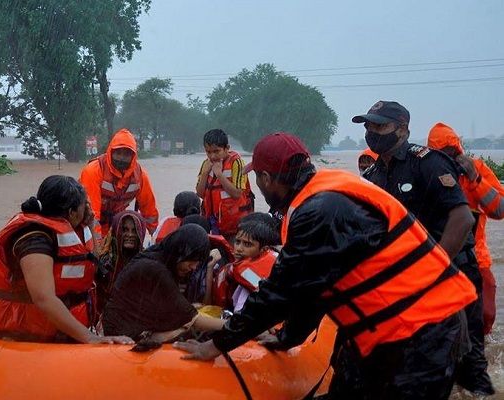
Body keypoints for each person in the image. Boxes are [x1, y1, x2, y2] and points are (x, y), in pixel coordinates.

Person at [175, 132, 477, 400]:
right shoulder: (324, 194)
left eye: (259, 179)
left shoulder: (319, 212)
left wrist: (218, 344)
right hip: (385, 326)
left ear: (266, 178)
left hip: (424, 331)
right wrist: (288, 337)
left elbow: (282, 291)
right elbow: (314, 289)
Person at [355, 102, 494, 395]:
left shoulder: (428, 163)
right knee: (415, 358)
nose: (372, 133)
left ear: (403, 130)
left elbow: (462, 219)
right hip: (406, 280)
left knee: (469, 363)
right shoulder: (371, 177)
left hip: (452, 269)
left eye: (379, 126)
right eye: (368, 127)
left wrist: (430, 271)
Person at [0, 175, 133, 345]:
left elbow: (95, 267)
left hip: (59, 334)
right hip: (23, 336)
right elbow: (43, 298)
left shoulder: (76, 230)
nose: (88, 210)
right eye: (85, 206)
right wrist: (91, 338)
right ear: (71, 212)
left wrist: (91, 226)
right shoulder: (35, 239)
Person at [428, 122, 504, 335]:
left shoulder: (476, 169)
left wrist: (475, 180)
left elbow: (499, 210)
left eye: (451, 153)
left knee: (485, 316)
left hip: (476, 259)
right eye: (442, 155)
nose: (448, 159)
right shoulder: (426, 173)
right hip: (439, 257)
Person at [102, 224, 225, 343]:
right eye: (191, 261)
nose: (193, 267)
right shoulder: (156, 269)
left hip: (124, 326)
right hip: (122, 336)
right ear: (179, 251)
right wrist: (233, 327)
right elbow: (192, 319)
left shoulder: (158, 257)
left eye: (197, 262)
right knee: (188, 328)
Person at [79, 128, 159, 237]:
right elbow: (91, 215)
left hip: (116, 223)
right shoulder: (93, 171)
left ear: (133, 156)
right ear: (110, 152)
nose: (121, 158)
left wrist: (157, 239)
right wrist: (97, 247)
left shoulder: (140, 175)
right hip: (87, 226)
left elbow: (149, 211)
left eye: (126, 154)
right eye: (118, 153)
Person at [195, 129, 253, 240]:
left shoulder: (236, 163)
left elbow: (237, 194)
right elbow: (200, 193)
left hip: (235, 226)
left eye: (216, 151)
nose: (212, 156)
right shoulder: (205, 164)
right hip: (212, 223)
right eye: (208, 152)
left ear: (227, 148)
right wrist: (204, 174)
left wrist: (219, 174)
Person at [214, 216, 279, 312]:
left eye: (247, 244)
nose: (239, 248)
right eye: (237, 242)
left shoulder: (249, 276)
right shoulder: (238, 269)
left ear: (263, 250)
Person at [95, 210, 146, 312]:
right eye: (125, 230)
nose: (130, 235)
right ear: (116, 231)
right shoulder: (103, 262)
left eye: (134, 230)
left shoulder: (146, 264)